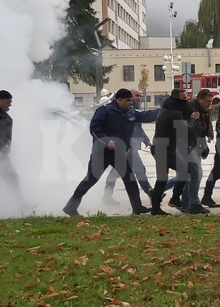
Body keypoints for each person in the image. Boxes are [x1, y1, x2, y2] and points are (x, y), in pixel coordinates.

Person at [64, 88, 149, 217]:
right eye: (128, 100)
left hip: (118, 153)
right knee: (90, 180)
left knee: (130, 179)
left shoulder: (130, 112)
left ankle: (137, 207)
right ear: (119, 100)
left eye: (131, 100)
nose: (130, 103)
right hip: (101, 153)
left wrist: (163, 111)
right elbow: (94, 128)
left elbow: (146, 116)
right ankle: (71, 207)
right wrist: (106, 140)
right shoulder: (104, 111)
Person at [104, 89, 157, 203]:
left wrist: (147, 141)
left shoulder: (132, 109)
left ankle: (107, 195)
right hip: (123, 147)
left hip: (130, 146)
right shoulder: (121, 110)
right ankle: (150, 192)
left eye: (140, 96)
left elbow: (138, 128)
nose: (139, 98)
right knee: (138, 169)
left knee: (117, 172)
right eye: (137, 96)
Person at [150, 88, 196, 216]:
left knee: (164, 178)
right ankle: (173, 200)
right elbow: (187, 130)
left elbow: (184, 110)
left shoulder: (168, 107)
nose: (186, 101)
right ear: (176, 99)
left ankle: (157, 206)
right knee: (182, 173)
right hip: (163, 150)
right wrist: (193, 119)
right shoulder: (174, 113)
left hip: (163, 148)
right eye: (184, 98)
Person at [170, 88, 214, 214]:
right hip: (185, 144)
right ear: (199, 99)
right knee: (196, 173)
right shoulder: (189, 109)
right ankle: (193, 204)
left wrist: (209, 136)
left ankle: (185, 202)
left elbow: (207, 124)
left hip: (196, 143)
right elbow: (185, 128)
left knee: (189, 175)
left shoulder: (205, 109)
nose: (209, 104)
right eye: (207, 101)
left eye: (211, 101)